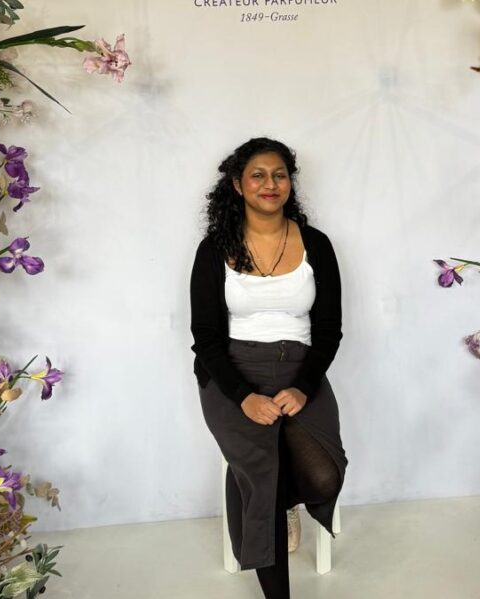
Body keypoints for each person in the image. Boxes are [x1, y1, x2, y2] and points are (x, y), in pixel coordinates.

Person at [190, 137, 348, 598]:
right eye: (257, 175)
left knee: (324, 475)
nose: (270, 184)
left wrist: (302, 387)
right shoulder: (214, 249)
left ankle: (281, 500)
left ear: (290, 183)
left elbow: (330, 329)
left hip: (301, 369)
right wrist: (243, 395)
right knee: (262, 477)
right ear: (238, 185)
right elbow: (206, 338)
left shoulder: (315, 245)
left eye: (279, 174)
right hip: (233, 372)